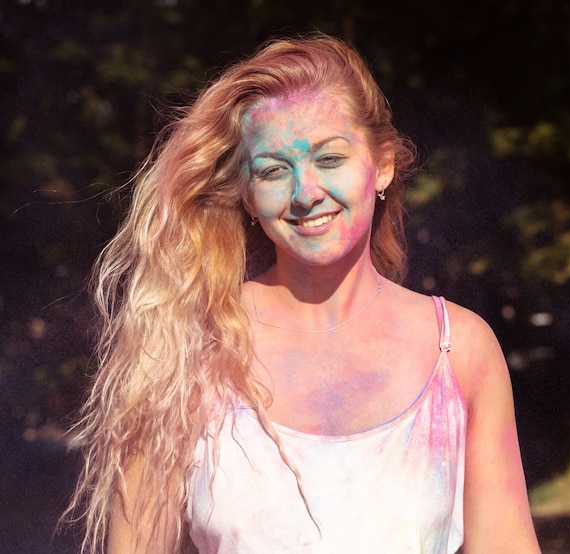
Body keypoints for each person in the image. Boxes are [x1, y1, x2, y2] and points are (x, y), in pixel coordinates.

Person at [64, 33, 541, 553]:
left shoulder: (461, 351)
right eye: (272, 170)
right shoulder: (186, 349)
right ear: (246, 195)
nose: (305, 193)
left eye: (330, 159)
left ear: (381, 165)